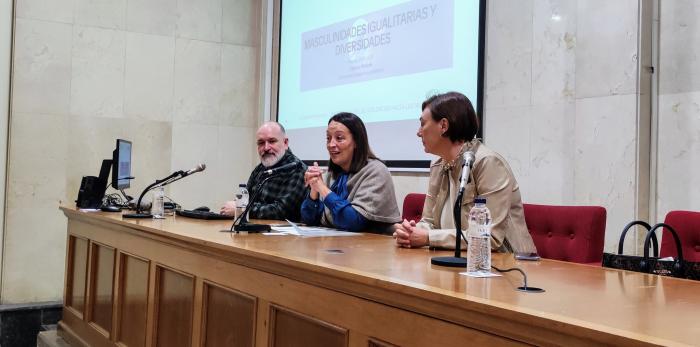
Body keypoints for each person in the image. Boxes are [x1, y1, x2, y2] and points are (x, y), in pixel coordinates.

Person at [393, 92, 537, 253]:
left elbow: (490, 237)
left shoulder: (488, 163)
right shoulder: (438, 164)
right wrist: (410, 232)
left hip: (507, 265)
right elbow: (429, 222)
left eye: (423, 124)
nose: (418, 132)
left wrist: (428, 237)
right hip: (457, 260)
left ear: (443, 126)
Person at [301, 112, 401, 233]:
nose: (331, 144)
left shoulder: (376, 171)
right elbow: (309, 219)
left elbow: (352, 222)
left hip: (371, 248)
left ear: (356, 142)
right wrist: (314, 188)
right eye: (328, 138)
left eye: (339, 138)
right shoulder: (334, 173)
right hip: (337, 245)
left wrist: (322, 188)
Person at [220, 122, 307, 221]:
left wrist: (242, 209)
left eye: (272, 141)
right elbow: (245, 199)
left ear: (285, 143)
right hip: (254, 230)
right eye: (261, 143)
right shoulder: (260, 169)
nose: (266, 148)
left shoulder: (297, 169)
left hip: (283, 235)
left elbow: (281, 211)